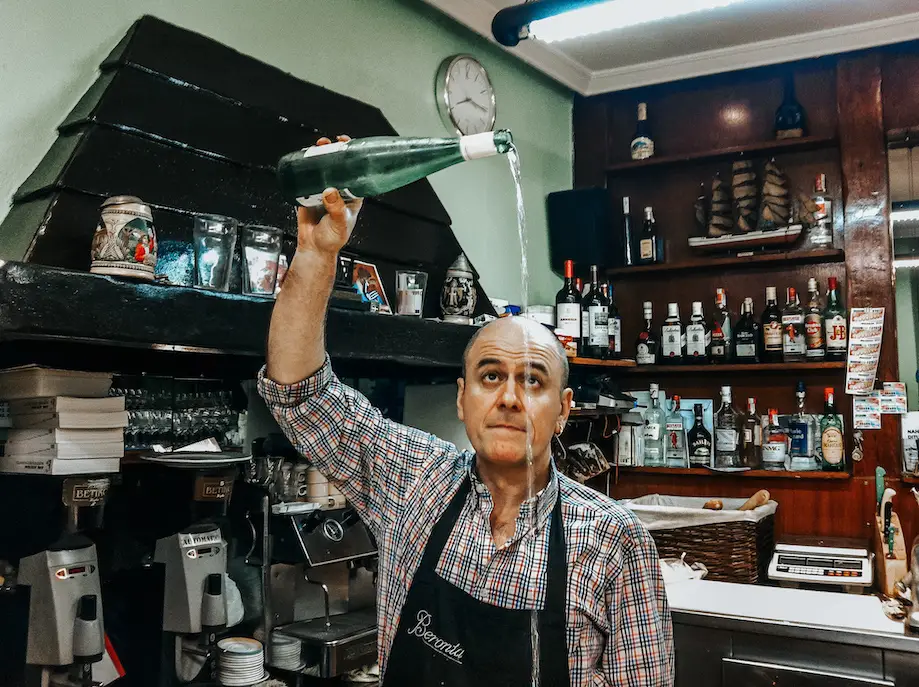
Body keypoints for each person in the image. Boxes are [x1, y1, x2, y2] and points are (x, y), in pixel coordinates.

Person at [258, 136, 674, 687]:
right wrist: (315, 254)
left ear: (565, 409)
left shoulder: (615, 542)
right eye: (490, 376)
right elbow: (299, 392)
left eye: (533, 380)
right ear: (462, 398)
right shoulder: (413, 480)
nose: (508, 396)